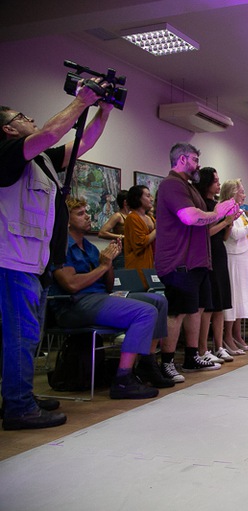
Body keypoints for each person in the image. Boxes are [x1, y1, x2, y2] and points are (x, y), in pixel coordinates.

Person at [1, 82, 112, 430]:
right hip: (12, 261)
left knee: (30, 335)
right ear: (8, 129)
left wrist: (104, 109)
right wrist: (81, 100)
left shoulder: (42, 160)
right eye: (21, 117)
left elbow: (85, 141)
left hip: (36, 263)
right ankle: (18, 408)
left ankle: (21, 396)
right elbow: (50, 132)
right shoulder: (7, 152)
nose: (30, 119)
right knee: (20, 336)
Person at [51, 197, 168, 398]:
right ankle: (123, 378)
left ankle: (147, 364)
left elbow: (108, 286)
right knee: (145, 311)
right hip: (74, 304)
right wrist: (103, 266)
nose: (88, 217)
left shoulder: (88, 247)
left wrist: (109, 263)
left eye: (86, 212)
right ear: (66, 221)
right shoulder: (61, 247)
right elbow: (71, 285)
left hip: (98, 298)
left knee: (159, 301)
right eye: (80, 214)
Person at [154, 143, 238, 381]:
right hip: (179, 260)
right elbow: (190, 217)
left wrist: (221, 215)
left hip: (198, 260)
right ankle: (167, 361)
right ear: (182, 159)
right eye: (194, 160)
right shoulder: (171, 184)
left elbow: (203, 220)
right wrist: (218, 213)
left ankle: (192, 356)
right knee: (178, 311)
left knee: (196, 309)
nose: (198, 165)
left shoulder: (188, 187)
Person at [193, 167, 237, 363]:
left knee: (220, 304)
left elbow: (224, 237)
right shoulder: (203, 205)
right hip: (207, 254)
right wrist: (224, 221)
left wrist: (230, 223)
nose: (219, 184)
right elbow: (206, 233)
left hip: (220, 252)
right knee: (208, 305)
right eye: (215, 181)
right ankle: (203, 348)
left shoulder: (218, 204)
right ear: (206, 183)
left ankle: (219, 346)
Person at [221, 179, 248, 353]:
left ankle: (237, 335)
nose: (244, 195)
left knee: (242, 298)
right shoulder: (227, 210)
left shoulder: (241, 212)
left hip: (244, 256)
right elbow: (235, 234)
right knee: (234, 298)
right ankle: (227, 336)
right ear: (232, 193)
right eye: (242, 192)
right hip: (233, 257)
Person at [123, 185, 156, 285]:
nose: (151, 199)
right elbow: (140, 242)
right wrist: (157, 230)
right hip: (138, 266)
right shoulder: (132, 218)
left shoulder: (150, 217)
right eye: (148, 196)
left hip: (152, 264)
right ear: (137, 198)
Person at [98, 189, 129, 268]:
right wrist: (122, 237)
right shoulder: (118, 216)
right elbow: (102, 233)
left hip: (129, 252)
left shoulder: (131, 216)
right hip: (121, 254)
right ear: (125, 202)